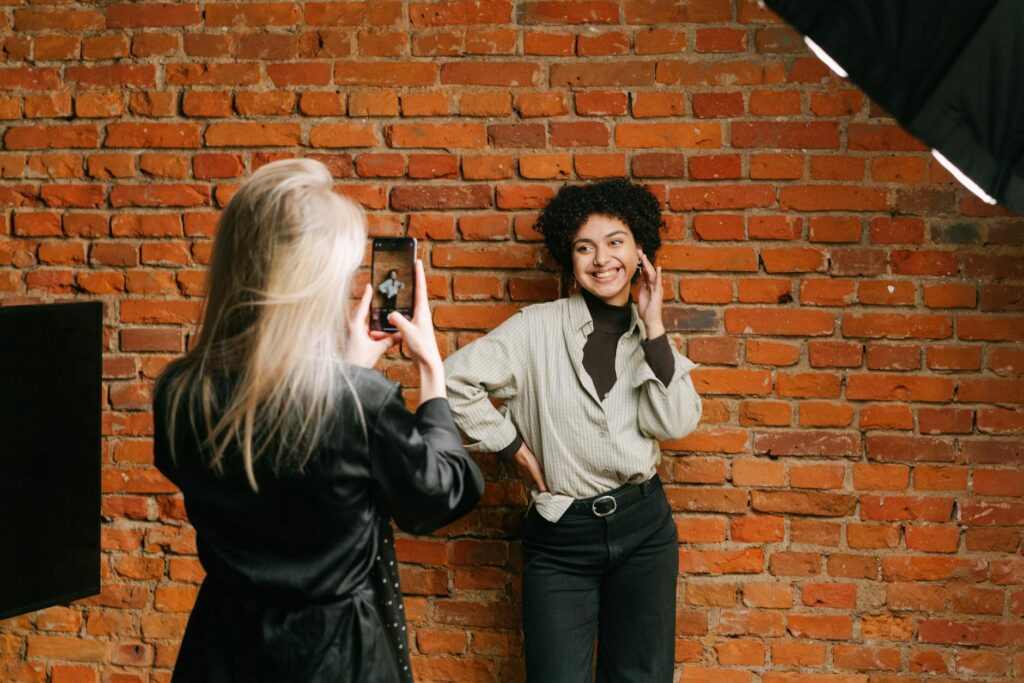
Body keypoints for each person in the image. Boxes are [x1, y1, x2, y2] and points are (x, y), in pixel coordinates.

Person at [152, 158, 483, 683]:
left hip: (222, 652)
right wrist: (431, 372)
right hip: (333, 660)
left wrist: (348, 373)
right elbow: (438, 494)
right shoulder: (360, 405)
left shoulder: (179, 391)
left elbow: (275, 463)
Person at [444, 178, 703, 682]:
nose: (601, 259)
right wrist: (513, 448)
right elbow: (455, 381)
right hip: (561, 534)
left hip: (644, 529)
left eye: (615, 242)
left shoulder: (648, 337)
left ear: (639, 252)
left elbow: (674, 423)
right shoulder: (536, 327)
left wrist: (654, 327)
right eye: (585, 247)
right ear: (570, 257)